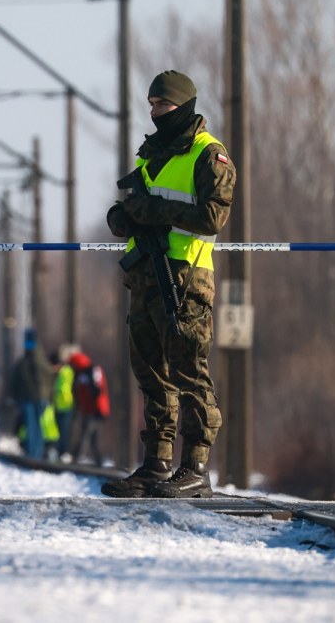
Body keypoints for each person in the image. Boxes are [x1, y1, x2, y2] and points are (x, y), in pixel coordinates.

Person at [102, 70, 236, 499]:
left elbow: (213, 217)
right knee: (150, 372)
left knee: (189, 371)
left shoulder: (208, 154)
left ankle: (195, 465)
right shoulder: (150, 154)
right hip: (145, 277)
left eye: (162, 105)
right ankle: (157, 462)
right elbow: (135, 207)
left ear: (183, 106)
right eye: (152, 105)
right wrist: (124, 217)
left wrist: (153, 210)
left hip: (186, 278)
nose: (154, 112)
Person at [8, 328, 54, 460]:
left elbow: (17, 380)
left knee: (32, 425)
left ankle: (33, 454)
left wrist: (16, 397)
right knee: (37, 426)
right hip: (40, 399)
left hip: (29, 398)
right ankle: (36, 453)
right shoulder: (43, 361)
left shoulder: (25, 362)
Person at [68, 351, 111, 465]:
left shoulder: (92, 371)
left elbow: (97, 390)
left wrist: (88, 389)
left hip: (96, 410)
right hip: (88, 409)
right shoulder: (81, 374)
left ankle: (76, 459)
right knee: (93, 438)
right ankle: (99, 462)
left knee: (86, 433)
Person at [50, 347, 76, 461]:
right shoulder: (62, 372)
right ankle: (60, 451)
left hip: (66, 405)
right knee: (59, 430)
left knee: (64, 430)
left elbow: (62, 389)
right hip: (58, 405)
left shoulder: (66, 372)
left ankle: (64, 452)